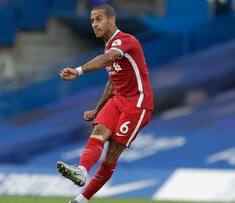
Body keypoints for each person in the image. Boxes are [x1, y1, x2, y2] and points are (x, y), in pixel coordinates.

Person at [57, 4, 153, 203]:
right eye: (92, 20)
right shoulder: (109, 46)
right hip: (117, 100)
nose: (95, 24)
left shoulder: (126, 41)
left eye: (99, 19)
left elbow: (108, 59)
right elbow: (112, 81)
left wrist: (79, 70)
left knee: (111, 154)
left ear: (111, 20)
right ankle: (81, 171)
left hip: (137, 105)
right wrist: (97, 109)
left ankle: (81, 200)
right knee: (98, 132)